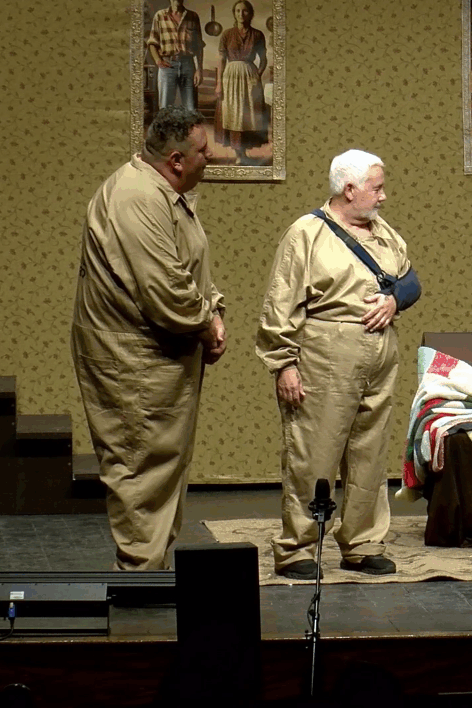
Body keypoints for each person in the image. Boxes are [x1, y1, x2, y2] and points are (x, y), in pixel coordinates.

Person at [71, 106, 225, 570]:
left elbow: (188, 268)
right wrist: (206, 324)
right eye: (203, 150)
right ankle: (139, 578)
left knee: (159, 465)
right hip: (134, 358)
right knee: (139, 464)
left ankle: (148, 569)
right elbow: (166, 289)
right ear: (176, 160)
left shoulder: (162, 193)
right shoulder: (137, 197)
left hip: (157, 355)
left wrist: (213, 311)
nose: (211, 156)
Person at [256, 149, 419, 580]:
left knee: (370, 454)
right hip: (325, 354)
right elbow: (280, 303)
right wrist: (283, 364)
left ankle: (363, 543)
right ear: (349, 190)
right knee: (314, 454)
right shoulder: (305, 234)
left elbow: (410, 281)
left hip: (379, 355)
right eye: (376, 188)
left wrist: (394, 300)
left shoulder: (383, 233)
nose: (383, 197)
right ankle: (297, 548)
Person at [215, 0, 267, 164]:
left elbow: (263, 59)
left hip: (249, 76)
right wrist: (219, 83)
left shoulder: (257, 35)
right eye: (238, 11)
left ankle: (244, 152)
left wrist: (257, 75)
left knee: (247, 115)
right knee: (233, 113)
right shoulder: (227, 34)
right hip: (230, 76)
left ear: (250, 14)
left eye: (245, 11)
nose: (241, 14)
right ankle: (239, 153)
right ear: (234, 13)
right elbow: (221, 60)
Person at [146, 0, 205, 113]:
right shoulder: (159, 16)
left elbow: (199, 46)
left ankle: (189, 125)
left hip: (188, 65)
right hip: (167, 65)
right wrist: (158, 60)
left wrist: (199, 69)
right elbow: (152, 42)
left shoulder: (193, 16)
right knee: (165, 108)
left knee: (191, 108)